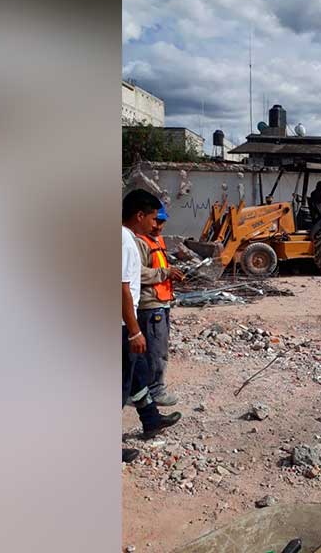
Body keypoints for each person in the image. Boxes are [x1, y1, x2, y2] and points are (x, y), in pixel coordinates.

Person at [122, 189, 182, 463]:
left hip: (130, 317)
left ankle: (151, 420)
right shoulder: (125, 241)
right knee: (122, 383)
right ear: (140, 215)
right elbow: (122, 288)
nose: (155, 223)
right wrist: (134, 330)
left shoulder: (131, 239)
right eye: (153, 217)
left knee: (139, 373)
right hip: (126, 321)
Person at [135, 205, 186, 407]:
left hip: (162, 301)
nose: (158, 226)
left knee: (157, 348)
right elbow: (136, 272)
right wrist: (165, 273)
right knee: (156, 351)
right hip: (151, 304)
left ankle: (143, 388)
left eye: (162, 222)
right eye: (156, 221)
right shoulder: (140, 242)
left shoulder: (157, 240)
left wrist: (171, 274)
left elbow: (159, 268)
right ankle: (155, 390)